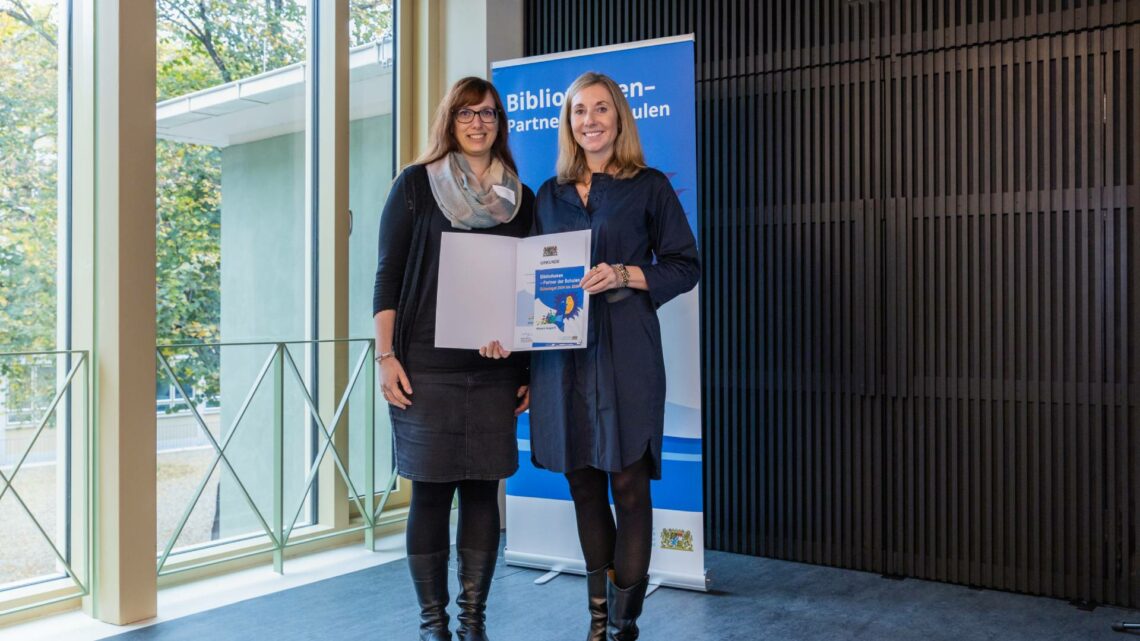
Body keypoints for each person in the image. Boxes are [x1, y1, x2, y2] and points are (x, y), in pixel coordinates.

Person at [483, 71, 699, 640]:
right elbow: (525, 278)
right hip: (562, 360)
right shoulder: (547, 194)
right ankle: (598, 623)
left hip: (626, 353)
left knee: (628, 484)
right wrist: (519, 365)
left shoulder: (649, 186)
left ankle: (625, 625)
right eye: (580, 111)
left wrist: (627, 273)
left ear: (619, 117)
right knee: (583, 484)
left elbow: (685, 264)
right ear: (568, 123)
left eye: (602, 109)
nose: (591, 121)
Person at [372, 76, 533, 641]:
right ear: (450, 119)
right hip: (425, 369)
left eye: (488, 113)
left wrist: (523, 359)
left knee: (483, 490)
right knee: (433, 492)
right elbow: (387, 277)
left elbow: (525, 287)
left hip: (493, 370)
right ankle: (433, 624)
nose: (478, 122)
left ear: (499, 123)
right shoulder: (416, 185)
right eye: (466, 113)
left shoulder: (521, 197)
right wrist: (385, 355)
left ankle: (472, 623)